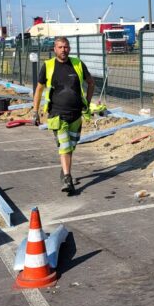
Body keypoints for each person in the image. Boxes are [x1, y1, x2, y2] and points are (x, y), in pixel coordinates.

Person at [33, 37, 95, 195]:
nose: (63, 50)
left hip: (76, 114)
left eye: (66, 47)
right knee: (65, 146)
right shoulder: (48, 66)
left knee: (70, 147)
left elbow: (91, 83)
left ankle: (65, 171)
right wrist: (35, 111)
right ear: (55, 49)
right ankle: (67, 177)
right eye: (60, 47)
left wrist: (87, 102)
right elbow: (39, 89)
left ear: (70, 48)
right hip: (57, 114)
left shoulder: (78, 64)